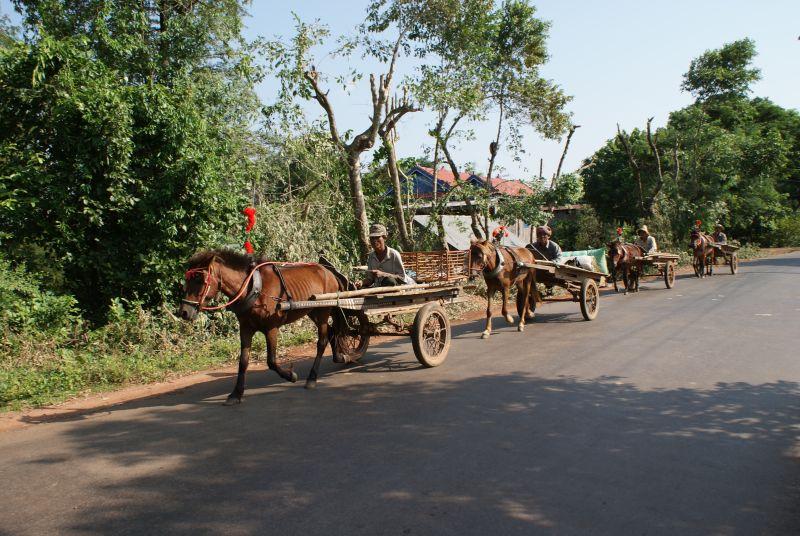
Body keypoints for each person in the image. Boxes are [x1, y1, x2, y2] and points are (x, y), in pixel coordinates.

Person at [360, 223, 414, 288]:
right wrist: (362, 282)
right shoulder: (371, 256)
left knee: (389, 281)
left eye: (377, 237)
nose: (374, 240)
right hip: (380, 290)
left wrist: (383, 274)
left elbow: (402, 278)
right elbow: (370, 279)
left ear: (384, 238)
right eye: (372, 238)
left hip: (400, 290)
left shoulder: (394, 254)